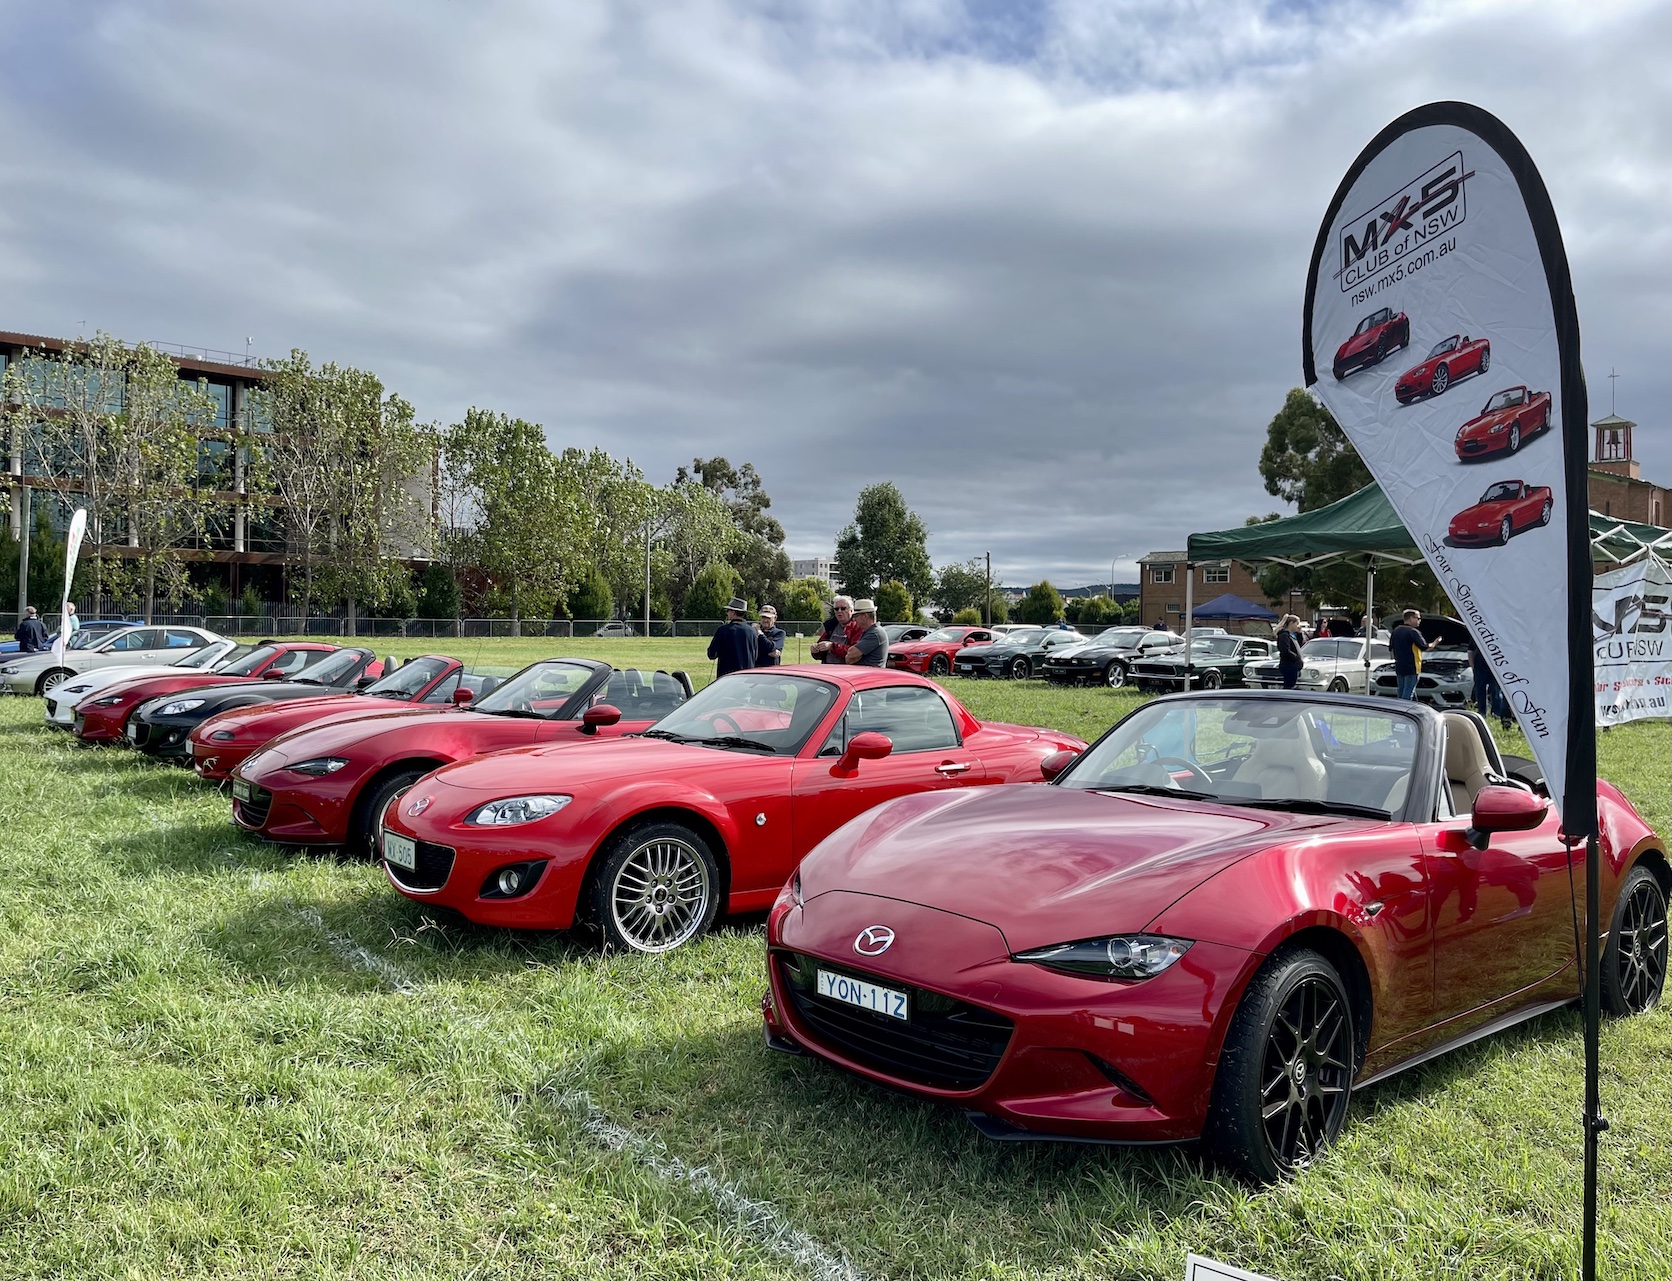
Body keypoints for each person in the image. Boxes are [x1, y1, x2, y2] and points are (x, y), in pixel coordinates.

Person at [1389, 608, 1434, 701]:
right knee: (1408, 692)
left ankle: (1403, 708)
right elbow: (1425, 647)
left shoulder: (1396, 631)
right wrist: (1435, 642)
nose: (1419, 621)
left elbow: (1391, 648)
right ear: (1410, 618)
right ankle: (1404, 710)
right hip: (1412, 667)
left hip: (1399, 666)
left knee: (1401, 690)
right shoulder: (1413, 632)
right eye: (1418, 618)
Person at [706, 597, 757, 677]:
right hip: (747, 675)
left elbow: (711, 654)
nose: (727, 613)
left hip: (727, 676)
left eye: (728, 611)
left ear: (733, 612)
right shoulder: (753, 631)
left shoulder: (723, 630)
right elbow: (755, 655)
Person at [1468, 633, 1511, 728]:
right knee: (1480, 691)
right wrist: (1472, 665)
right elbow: (1470, 650)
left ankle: (1496, 713)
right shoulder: (1476, 634)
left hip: (1495, 670)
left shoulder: (1497, 634)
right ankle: (1482, 712)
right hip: (1479, 668)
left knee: (1496, 691)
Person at [843, 599, 888, 667]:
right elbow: (849, 659)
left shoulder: (875, 633)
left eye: (856, 616)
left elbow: (851, 654)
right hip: (866, 674)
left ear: (865, 616)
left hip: (871, 675)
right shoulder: (870, 631)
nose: (854, 619)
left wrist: (855, 656)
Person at [810, 596, 854, 664]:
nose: (839, 611)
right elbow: (820, 653)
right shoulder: (830, 626)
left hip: (847, 670)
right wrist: (816, 650)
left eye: (843, 608)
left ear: (851, 610)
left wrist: (832, 646)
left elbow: (855, 652)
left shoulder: (857, 627)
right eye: (836, 609)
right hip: (828, 669)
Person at [1275, 614, 1304, 689]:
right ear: (1291, 623)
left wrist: (1300, 634)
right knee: (1289, 686)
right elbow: (1285, 650)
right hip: (1289, 665)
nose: (1298, 626)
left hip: (1294, 665)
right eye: (1296, 624)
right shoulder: (1284, 635)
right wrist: (1296, 658)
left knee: (1292, 685)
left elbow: (1298, 646)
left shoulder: (1292, 635)